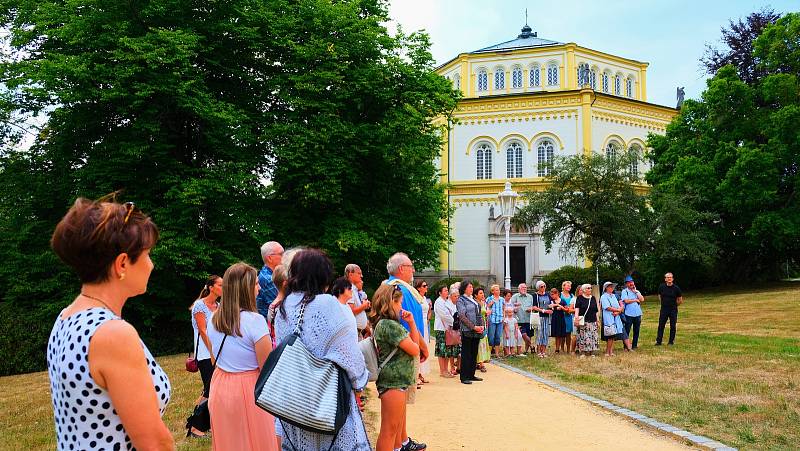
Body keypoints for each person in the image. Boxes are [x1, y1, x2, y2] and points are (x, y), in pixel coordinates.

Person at [47, 198, 173, 450]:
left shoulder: (66, 317)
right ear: (122, 264)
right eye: (148, 254)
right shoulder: (112, 333)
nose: (152, 264)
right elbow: (154, 442)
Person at [273, 249, 370, 450]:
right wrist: (359, 381)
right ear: (322, 275)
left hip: (294, 400)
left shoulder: (284, 307)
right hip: (327, 401)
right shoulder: (326, 304)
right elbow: (348, 353)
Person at [207, 263, 278, 451]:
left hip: (220, 384)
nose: (260, 287)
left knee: (229, 441)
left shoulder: (214, 319)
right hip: (250, 387)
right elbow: (266, 367)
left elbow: (215, 358)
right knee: (258, 441)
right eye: (256, 284)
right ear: (245, 289)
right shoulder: (255, 321)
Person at [369, 284, 422, 451]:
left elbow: (415, 346)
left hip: (396, 381)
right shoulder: (389, 325)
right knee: (389, 431)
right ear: (390, 302)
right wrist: (411, 326)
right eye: (399, 303)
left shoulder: (385, 323)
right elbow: (415, 349)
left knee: (395, 430)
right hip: (393, 381)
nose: (401, 307)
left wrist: (411, 323)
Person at [385, 252, 428, 451]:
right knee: (399, 402)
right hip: (404, 349)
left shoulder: (388, 286)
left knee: (400, 403)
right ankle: (398, 444)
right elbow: (409, 321)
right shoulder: (400, 289)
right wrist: (422, 347)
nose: (413, 270)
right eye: (410, 266)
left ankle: (402, 440)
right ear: (401, 268)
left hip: (397, 348)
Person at [188, 274, 221, 438]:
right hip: (205, 354)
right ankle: (194, 426)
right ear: (211, 287)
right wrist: (213, 352)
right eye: (220, 285)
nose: (223, 288)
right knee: (210, 389)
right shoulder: (199, 306)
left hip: (217, 353)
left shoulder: (218, 306)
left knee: (211, 389)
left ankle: (197, 423)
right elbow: (203, 330)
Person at [456, 280, 484, 384]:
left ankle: (471, 374)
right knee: (466, 353)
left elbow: (479, 314)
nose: (471, 289)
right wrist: (473, 327)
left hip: (477, 329)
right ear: (464, 288)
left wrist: (481, 326)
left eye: (472, 287)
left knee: (474, 353)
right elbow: (462, 316)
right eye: (469, 287)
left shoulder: (473, 299)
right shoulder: (461, 300)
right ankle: (464, 377)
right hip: (467, 329)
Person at [433, 286, 459, 378]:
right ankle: (442, 370)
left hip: (448, 328)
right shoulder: (439, 302)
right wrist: (454, 322)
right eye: (445, 290)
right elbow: (444, 315)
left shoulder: (446, 302)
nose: (447, 292)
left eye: (447, 290)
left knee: (448, 349)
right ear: (440, 293)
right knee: (441, 349)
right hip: (441, 328)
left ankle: (446, 370)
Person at [600, 281, 631, 356]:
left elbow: (619, 306)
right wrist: (618, 310)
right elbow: (607, 307)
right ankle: (607, 352)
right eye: (610, 286)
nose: (612, 288)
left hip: (616, 317)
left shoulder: (614, 296)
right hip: (608, 317)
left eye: (612, 286)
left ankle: (611, 351)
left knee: (613, 335)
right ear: (606, 288)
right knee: (610, 335)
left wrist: (618, 311)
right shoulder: (603, 296)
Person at [257, 241, 284, 320]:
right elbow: (282, 306)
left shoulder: (268, 273)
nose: (285, 256)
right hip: (269, 327)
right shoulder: (268, 279)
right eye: (281, 254)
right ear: (269, 258)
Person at [656, 272, 683, 346]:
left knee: (673, 326)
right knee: (661, 325)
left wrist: (674, 305)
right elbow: (659, 296)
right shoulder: (661, 287)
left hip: (673, 309)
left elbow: (680, 300)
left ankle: (671, 342)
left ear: (672, 279)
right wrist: (664, 303)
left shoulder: (676, 288)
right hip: (664, 309)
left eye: (670, 277)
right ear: (665, 279)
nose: (669, 279)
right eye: (667, 277)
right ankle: (658, 341)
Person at [345, 264, 371, 338]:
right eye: (359, 273)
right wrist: (364, 305)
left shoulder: (355, 289)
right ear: (350, 274)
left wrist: (364, 305)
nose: (361, 276)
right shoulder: (348, 289)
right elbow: (351, 312)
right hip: (352, 332)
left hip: (357, 332)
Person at [574, 284, 600, 357]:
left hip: (593, 320)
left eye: (591, 288)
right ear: (584, 290)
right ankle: (583, 352)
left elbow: (596, 310)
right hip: (583, 321)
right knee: (583, 336)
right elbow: (577, 309)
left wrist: (598, 320)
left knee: (593, 336)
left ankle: (592, 352)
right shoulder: (579, 298)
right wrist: (576, 319)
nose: (590, 289)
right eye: (588, 288)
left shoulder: (593, 298)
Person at [414, 279, 432, 384]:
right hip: (419, 323)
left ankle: (421, 373)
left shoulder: (425, 298)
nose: (426, 287)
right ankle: (417, 374)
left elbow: (429, 310)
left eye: (426, 285)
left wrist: (428, 319)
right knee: (419, 347)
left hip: (425, 323)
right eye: (424, 286)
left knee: (424, 346)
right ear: (419, 288)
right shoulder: (416, 298)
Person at [511, 283, 535, 355]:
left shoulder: (530, 297)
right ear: (519, 289)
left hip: (528, 318)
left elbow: (533, 306)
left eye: (525, 288)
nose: (524, 289)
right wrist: (515, 309)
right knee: (523, 334)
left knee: (529, 335)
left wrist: (530, 309)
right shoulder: (515, 296)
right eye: (522, 288)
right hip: (519, 319)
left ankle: (527, 350)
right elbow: (511, 305)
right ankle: (532, 346)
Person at [620, 275, 644, 349]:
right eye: (629, 282)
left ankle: (634, 345)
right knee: (627, 331)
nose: (631, 284)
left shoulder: (636, 291)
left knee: (636, 330)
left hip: (637, 314)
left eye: (632, 282)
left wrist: (636, 292)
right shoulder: (624, 291)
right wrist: (635, 300)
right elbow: (626, 301)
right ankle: (626, 346)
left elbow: (642, 299)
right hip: (628, 314)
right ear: (626, 284)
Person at [531, 281, 554, 357]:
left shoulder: (548, 294)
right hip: (539, 316)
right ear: (538, 287)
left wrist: (552, 307)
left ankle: (544, 351)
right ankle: (538, 352)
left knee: (545, 333)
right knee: (539, 333)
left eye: (544, 286)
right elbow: (534, 307)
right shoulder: (535, 295)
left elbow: (551, 303)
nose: (543, 288)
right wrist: (544, 310)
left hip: (547, 317)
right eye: (541, 286)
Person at [474, 287, 491, 372]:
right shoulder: (475, 303)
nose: (482, 294)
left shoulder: (483, 302)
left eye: (483, 293)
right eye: (480, 293)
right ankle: (481, 363)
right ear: (475, 295)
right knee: (479, 344)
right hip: (477, 325)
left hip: (483, 324)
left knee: (483, 343)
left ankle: (480, 361)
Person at [485, 284, 505, 357]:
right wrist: (490, 304)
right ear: (493, 291)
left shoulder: (502, 299)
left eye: (499, 290)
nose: (498, 291)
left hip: (500, 320)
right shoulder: (489, 298)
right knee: (491, 337)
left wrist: (504, 317)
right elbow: (485, 307)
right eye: (496, 290)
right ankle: (489, 353)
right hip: (492, 319)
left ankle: (497, 354)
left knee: (498, 336)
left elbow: (503, 309)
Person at [549, 287, 568, 353]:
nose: (551, 296)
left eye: (552, 294)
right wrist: (556, 305)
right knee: (556, 334)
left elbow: (567, 309)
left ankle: (560, 348)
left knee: (560, 334)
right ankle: (557, 348)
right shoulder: (551, 301)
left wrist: (562, 308)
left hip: (561, 318)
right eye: (551, 295)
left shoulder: (562, 300)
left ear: (557, 293)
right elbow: (549, 306)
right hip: (554, 319)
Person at [560, 281, 576, 353]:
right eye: (567, 286)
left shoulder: (572, 295)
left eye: (570, 286)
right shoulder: (560, 295)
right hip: (562, 316)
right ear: (563, 286)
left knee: (568, 333)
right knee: (563, 333)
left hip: (570, 316)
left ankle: (569, 349)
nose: (569, 287)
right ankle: (562, 348)